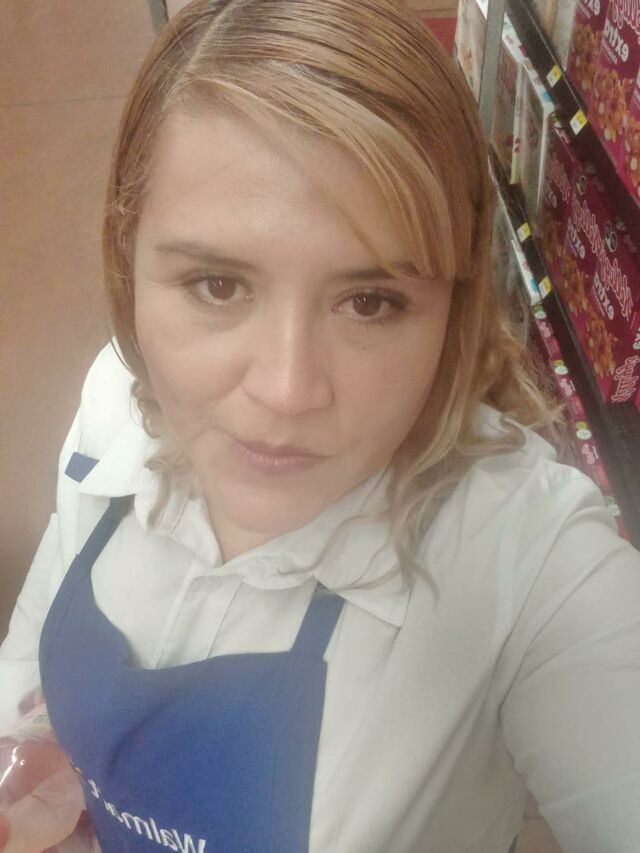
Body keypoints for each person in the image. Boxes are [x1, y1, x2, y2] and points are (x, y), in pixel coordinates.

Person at [1, 0, 639, 850]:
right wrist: (34, 745)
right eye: (218, 286)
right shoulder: (116, 399)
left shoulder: (532, 564)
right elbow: (40, 619)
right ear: (128, 263)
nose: (287, 389)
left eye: (370, 301)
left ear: (452, 307)